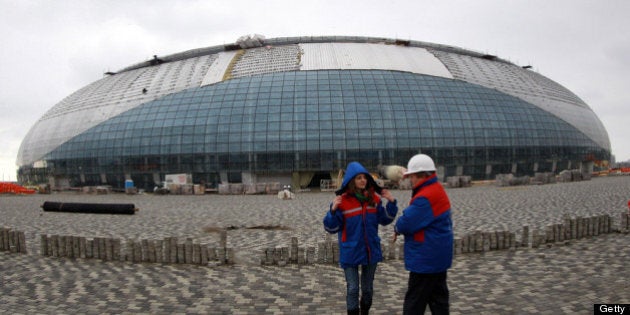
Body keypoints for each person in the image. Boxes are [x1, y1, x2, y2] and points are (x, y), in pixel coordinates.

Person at [323, 162, 398, 315]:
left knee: (368, 290)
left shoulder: (374, 199)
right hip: (350, 250)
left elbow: (385, 219)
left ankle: (365, 311)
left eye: (364, 177)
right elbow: (331, 228)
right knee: (352, 288)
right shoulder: (341, 201)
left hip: (371, 250)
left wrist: (391, 202)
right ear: (351, 181)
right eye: (359, 178)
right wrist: (332, 211)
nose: (363, 180)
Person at [393, 154, 453, 315]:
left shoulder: (426, 197)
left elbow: (406, 223)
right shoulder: (436, 189)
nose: (410, 180)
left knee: (414, 304)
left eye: (411, 176)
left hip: (426, 260)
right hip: (438, 257)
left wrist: (397, 228)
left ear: (420, 175)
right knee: (438, 301)